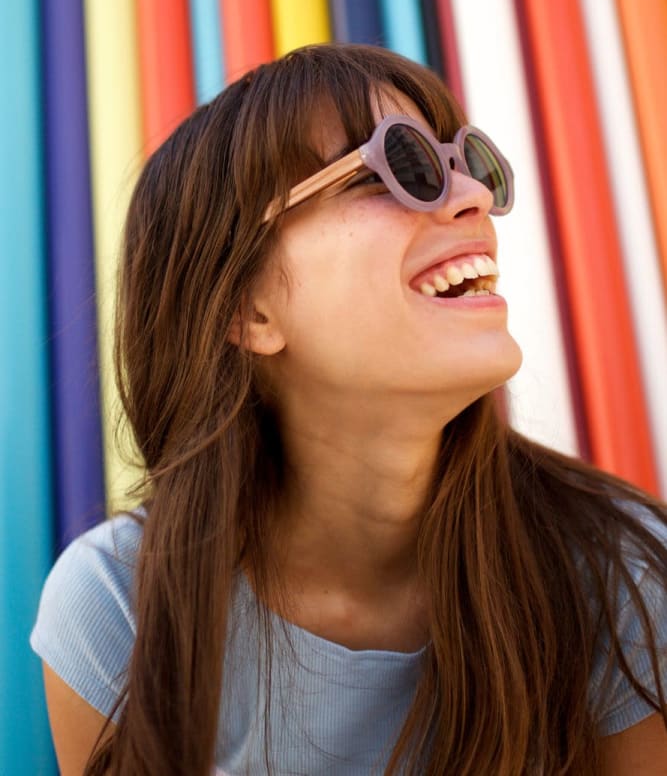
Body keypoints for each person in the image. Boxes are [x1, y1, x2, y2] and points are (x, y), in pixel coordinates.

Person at [31, 44, 667, 775]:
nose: (471, 198)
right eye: (392, 170)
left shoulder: (614, 572)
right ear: (246, 307)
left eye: (466, 163)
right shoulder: (117, 610)